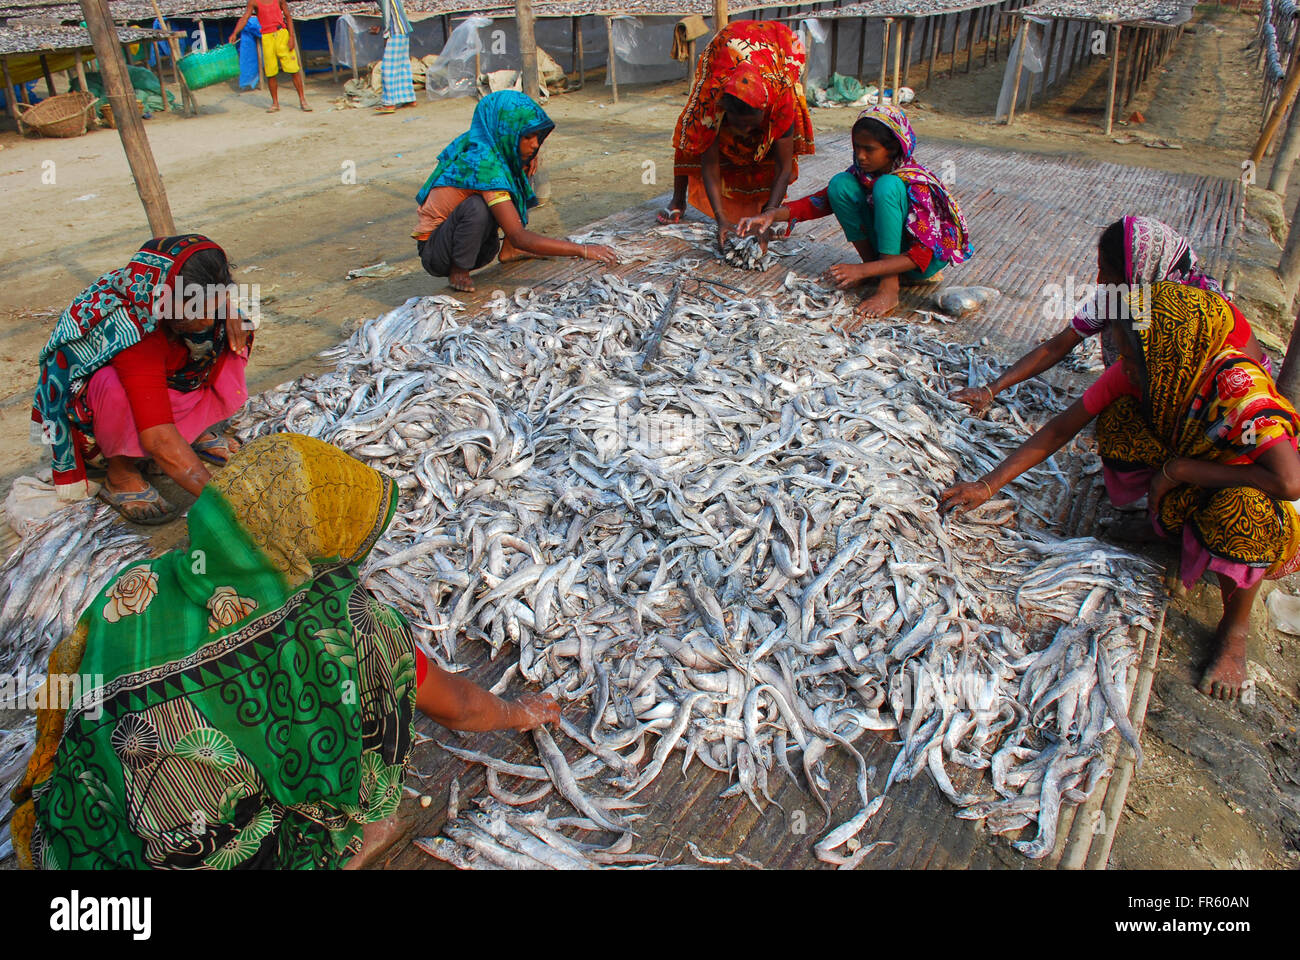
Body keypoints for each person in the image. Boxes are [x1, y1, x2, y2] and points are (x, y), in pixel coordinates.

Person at [9, 433, 561, 870]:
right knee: (373, 703)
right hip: (193, 859)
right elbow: (457, 706)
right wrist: (520, 712)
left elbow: (63, 689)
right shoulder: (350, 625)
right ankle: (353, 835)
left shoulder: (130, 592)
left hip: (81, 841)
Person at [940, 282, 1300, 702]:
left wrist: (1180, 469)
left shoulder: (1238, 387)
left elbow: (1289, 482)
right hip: (1193, 479)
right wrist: (987, 485)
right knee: (1119, 421)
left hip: (1260, 499)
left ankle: (1234, 628)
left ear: (1163, 354)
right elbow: (1061, 427)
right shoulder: (1149, 370)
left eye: (1129, 358)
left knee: (1245, 511)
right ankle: (1170, 527)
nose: (1123, 366)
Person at [32, 235, 253, 524]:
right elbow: (158, 438)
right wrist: (227, 504)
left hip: (154, 380)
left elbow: (213, 308)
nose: (208, 320)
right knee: (113, 385)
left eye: (214, 305)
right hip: (89, 413)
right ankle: (120, 474)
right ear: (166, 302)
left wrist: (229, 312)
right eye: (198, 311)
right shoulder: (134, 331)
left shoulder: (185, 300)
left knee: (235, 327)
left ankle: (188, 431)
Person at [952, 216, 1268, 415]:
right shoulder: (1124, 296)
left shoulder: (1196, 315)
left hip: (1233, 410)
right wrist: (991, 389)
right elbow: (1057, 346)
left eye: (1108, 271)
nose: (1101, 280)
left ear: (1139, 272)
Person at [739, 104, 971, 324]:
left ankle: (889, 288)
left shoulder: (916, 185)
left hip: (918, 265)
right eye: (857, 148)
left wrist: (862, 270)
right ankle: (876, 271)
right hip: (887, 259)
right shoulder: (861, 174)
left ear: (892, 150)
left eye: (869, 149)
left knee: (887, 186)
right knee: (840, 184)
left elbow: (922, 256)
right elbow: (820, 201)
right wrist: (772, 215)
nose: (860, 156)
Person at [413, 90, 616, 293]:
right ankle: (459, 271)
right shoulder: (483, 164)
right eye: (528, 136)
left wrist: (522, 164)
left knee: (515, 169)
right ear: (506, 130)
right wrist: (583, 250)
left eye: (537, 136)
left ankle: (509, 250)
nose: (535, 144)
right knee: (478, 206)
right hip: (438, 254)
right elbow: (519, 235)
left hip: (480, 247)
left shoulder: (491, 143)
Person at [662, 20, 815, 252]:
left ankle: (764, 208)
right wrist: (720, 219)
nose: (745, 134)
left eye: (751, 127)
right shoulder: (711, 99)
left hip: (776, 48)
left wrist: (767, 218)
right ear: (725, 113)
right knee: (692, 131)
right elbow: (709, 164)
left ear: (764, 113)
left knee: (773, 150)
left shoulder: (781, 100)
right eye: (738, 126)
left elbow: (783, 168)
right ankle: (678, 200)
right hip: (726, 51)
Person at [230, 0, 312, 113]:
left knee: (293, 69)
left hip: (282, 34)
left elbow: (288, 17)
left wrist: (291, 37)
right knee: (270, 72)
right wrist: (235, 33)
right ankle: (275, 103)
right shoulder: (253, 2)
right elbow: (245, 18)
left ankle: (303, 100)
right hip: (267, 37)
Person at [372, 0, 415, 115]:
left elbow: (386, 14)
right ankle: (409, 98)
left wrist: (386, 33)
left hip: (395, 31)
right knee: (403, 65)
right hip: (403, 29)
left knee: (388, 68)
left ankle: (389, 103)